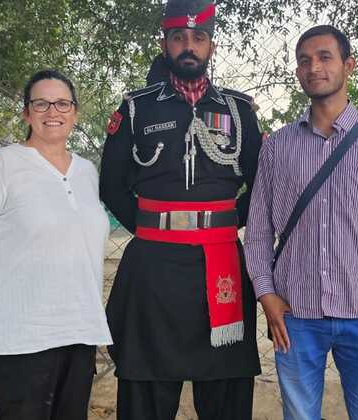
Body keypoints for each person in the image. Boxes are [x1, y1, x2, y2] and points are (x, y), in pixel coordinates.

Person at [243, 25, 358, 420]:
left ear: (348, 65)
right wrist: (266, 294)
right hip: (295, 316)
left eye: (324, 57)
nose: (313, 67)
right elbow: (257, 233)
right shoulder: (277, 148)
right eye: (304, 60)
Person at [99, 1, 263, 418]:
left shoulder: (238, 111)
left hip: (220, 260)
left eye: (198, 37)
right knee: (146, 388)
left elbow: (261, 185)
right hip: (154, 266)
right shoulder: (136, 108)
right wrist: (153, 226)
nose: (188, 45)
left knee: (225, 390)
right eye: (178, 38)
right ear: (165, 43)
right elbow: (111, 184)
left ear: (211, 45)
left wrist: (222, 222)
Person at [0, 69, 112, 420]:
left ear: (75, 113)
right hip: (20, 336)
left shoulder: (86, 172)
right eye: (41, 103)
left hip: (79, 329)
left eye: (62, 103)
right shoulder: (0, 167)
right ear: (26, 113)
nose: (53, 112)